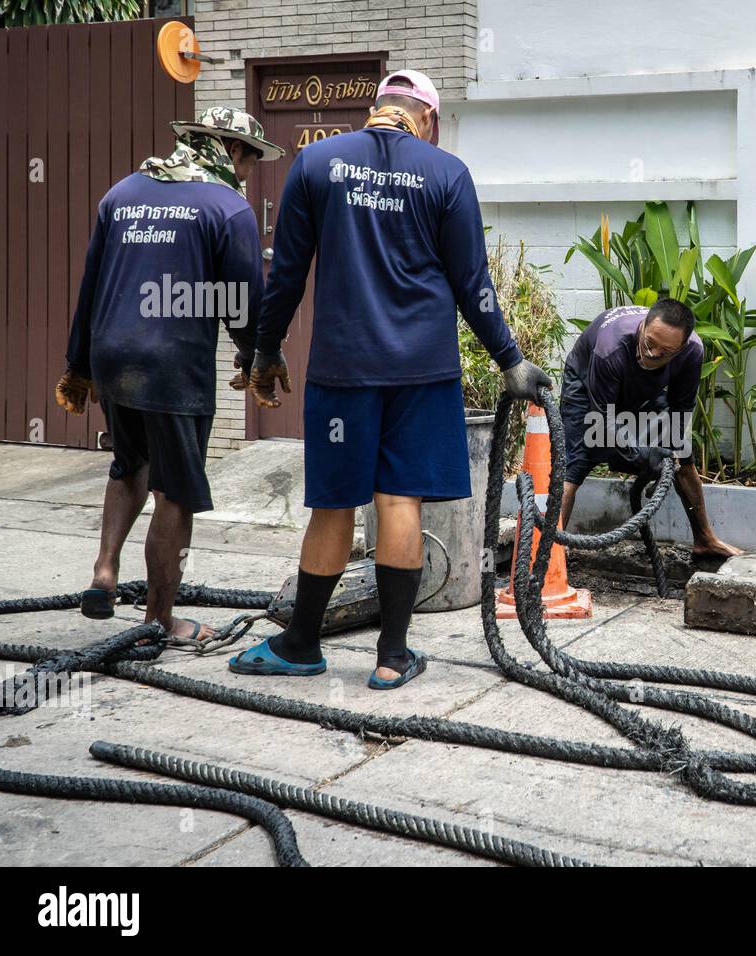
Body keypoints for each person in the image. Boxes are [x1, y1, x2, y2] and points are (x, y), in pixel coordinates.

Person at [229, 69, 550, 688]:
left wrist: (266, 350)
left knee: (333, 505)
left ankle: (300, 645)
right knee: (399, 498)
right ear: (426, 118)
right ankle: (391, 657)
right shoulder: (446, 173)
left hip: (344, 370)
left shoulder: (317, 163)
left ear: (376, 110)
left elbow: (287, 274)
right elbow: (472, 284)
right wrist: (510, 360)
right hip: (422, 372)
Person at [56, 108, 283, 642]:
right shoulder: (229, 208)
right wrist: (258, 359)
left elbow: (91, 285)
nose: (249, 173)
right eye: (250, 160)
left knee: (128, 465)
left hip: (113, 356)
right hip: (173, 368)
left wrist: (77, 366)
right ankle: (159, 619)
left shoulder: (122, 193)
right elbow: (244, 302)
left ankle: (104, 572)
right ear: (232, 151)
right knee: (175, 493)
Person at [559, 299, 742, 566]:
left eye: (664, 351)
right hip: (588, 384)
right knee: (575, 460)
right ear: (642, 327)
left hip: (641, 386)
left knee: (682, 455)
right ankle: (552, 551)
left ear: (679, 349)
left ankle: (705, 540)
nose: (652, 354)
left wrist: (668, 459)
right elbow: (603, 422)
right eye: (648, 343)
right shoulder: (610, 349)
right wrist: (642, 458)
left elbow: (681, 409)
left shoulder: (692, 352)